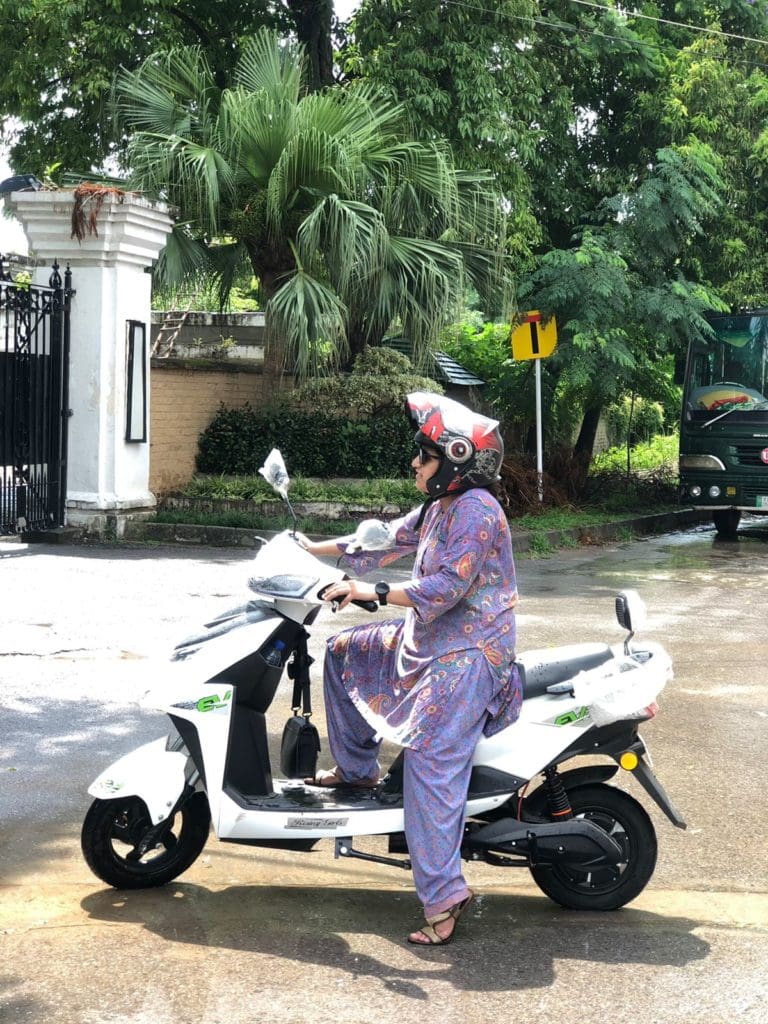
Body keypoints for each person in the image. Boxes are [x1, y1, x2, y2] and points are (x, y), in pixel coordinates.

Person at [297, 392, 522, 947]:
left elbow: (445, 588)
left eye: (424, 456)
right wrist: (311, 549)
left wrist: (370, 590)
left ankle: (444, 897)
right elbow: (383, 540)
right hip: (430, 640)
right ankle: (356, 770)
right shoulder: (441, 506)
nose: (415, 464)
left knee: (428, 762)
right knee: (344, 652)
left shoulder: (477, 512)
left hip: (470, 655)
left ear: (455, 459)